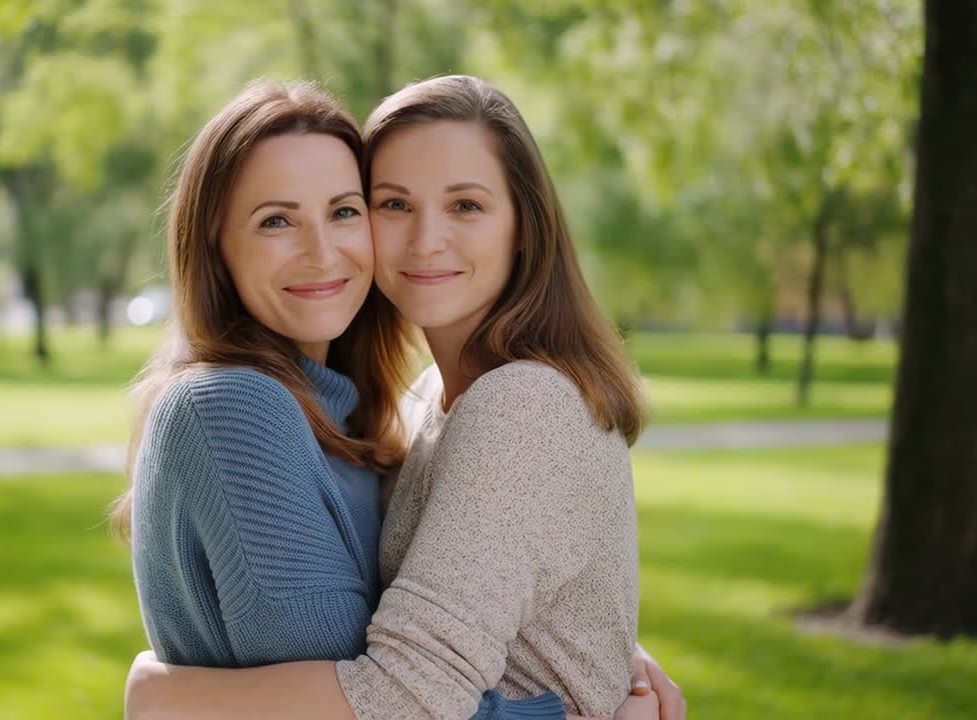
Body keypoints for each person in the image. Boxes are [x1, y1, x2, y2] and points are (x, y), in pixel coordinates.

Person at [118, 77, 685, 720]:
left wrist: (606, 652)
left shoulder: (512, 404)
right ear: (215, 244)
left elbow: (404, 683)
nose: (424, 241)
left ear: (525, 226)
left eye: (466, 205)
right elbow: (399, 685)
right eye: (393, 204)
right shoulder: (347, 405)